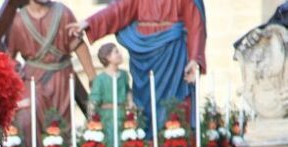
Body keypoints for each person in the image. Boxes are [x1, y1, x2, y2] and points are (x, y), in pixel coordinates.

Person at [68, 0, 206, 134]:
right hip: (143, 56)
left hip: (173, 55)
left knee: (174, 105)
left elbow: (195, 23)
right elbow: (120, 8)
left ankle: (176, 144)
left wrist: (194, 59)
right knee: (144, 108)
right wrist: (89, 22)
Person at [0, 0, 96, 138]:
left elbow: (78, 44)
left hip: (62, 79)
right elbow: (7, 57)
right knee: (27, 119)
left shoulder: (63, 12)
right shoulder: (18, 21)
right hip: (32, 81)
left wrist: (92, 78)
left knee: (62, 126)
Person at [90, 43, 131, 147]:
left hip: (122, 114)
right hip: (108, 117)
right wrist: (92, 114)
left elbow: (127, 90)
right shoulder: (101, 79)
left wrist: (130, 103)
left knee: (125, 144)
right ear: (108, 57)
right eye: (116, 52)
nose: (120, 54)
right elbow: (94, 99)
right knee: (109, 145)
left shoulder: (124, 75)